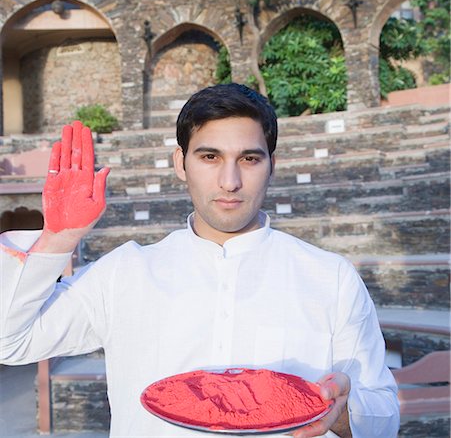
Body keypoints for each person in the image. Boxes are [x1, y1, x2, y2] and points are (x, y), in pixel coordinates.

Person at [0, 83, 399, 438]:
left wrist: (344, 413)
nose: (230, 181)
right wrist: (58, 238)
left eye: (249, 159)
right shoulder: (123, 273)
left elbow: (384, 416)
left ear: (271, 166)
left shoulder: (331, 278)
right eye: (210, 157)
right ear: (181, 163)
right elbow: (10, 342)